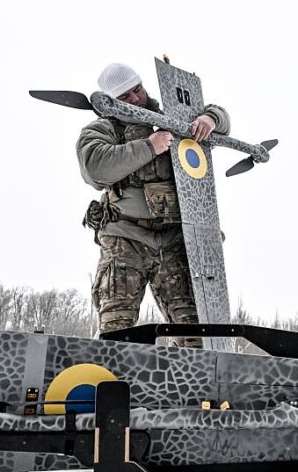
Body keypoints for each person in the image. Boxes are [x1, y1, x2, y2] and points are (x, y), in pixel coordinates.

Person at [76, 62, 230, 347]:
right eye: (125, 97)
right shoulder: (102, 129)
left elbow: (220, 117)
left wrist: (211, 118)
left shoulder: (169, 119)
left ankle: (192, 389)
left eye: (138, 90)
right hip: (126, 239)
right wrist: (149, 146)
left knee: (197, 335)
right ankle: (114, 387)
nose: (136, 99)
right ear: (110, 101)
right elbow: (95, 168)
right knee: (116, 333)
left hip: (175, 241)